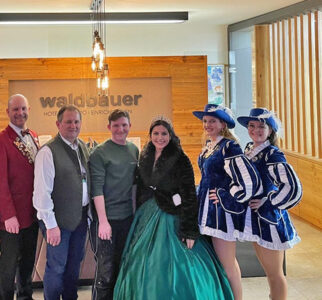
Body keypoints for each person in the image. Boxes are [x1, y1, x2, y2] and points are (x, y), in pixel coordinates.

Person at [113, 117, 233, 300]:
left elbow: (189, 195)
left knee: (179, 262)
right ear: (150, 135)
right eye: (156, 133)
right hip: (147, 216)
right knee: (142, 262)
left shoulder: (180, 158)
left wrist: (190, 230)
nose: (160, 137)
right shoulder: (145, 155)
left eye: (164, 133)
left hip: (173, 216)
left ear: (170, 135)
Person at [192, 104, 260, 300]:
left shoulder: (229, 147)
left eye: (212, 121)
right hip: (207, 212)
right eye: (205, 121)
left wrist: (226, 196)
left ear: (223, 124)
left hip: (221, 215)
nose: (207, 125)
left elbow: (249, 180)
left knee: (228, 265)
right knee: (219, 264)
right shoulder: (210, 146)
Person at [237, 108, 302, 300]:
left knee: (275, 275)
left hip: (270, 222)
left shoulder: (272, 154)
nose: (255, 130)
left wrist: (269, 200)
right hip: (257, 220)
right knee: (269, 273)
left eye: (261, 126)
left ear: (270, 130)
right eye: (252, 125)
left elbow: (292, 187)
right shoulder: (250, 149)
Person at [33, 105, 90, 300]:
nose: (73, 126)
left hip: (80, 219)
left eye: (76, 121)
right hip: (57, 222)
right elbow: (41, 194)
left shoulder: (82, 146)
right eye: (68, 122)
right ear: (58, 124)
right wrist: (51, 225)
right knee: (57, 267)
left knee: (74, 265)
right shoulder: (48, 152)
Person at [0, 94, 39, 300]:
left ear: (29, 110)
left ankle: (25, 295)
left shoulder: (33, 135)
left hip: (32, 212)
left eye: (23, 109)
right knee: (9, 264)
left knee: (28, 260)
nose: (20, 113)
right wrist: (8, 215)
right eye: (16, 109)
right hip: (12, 217)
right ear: (8, 112)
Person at [88, 109, 138, 300]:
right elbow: (97, 190)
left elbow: (134, 186)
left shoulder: (134, 150)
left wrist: (134, 217)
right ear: (109, 127)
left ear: (130, 126)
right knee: (105, 273)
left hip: (127, 219)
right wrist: (103, 222)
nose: (120, 129)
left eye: (124, 125)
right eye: (116, 125)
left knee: (122, 267)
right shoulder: (100, 153)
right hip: (106, 222)